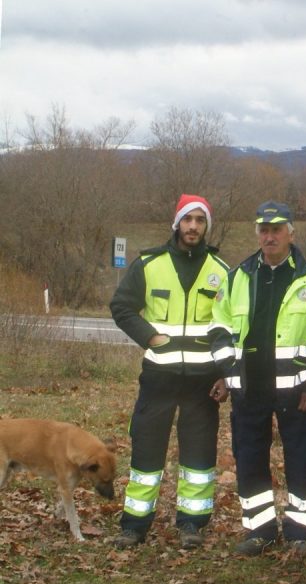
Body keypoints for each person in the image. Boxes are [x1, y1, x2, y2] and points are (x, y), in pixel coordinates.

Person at [109, 194, 231, 549]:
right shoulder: (150, 264)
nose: (193, 226)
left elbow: (231, 327)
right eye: (187, 219)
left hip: (203, 381)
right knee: (146, 450)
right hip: (159, 378)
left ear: (206, 226)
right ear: (177, 223)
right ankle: (134, 525)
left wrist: (225, 374)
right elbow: (121, 306)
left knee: (199, 455)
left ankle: (192, 523)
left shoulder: (221, 271)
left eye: (200, 220)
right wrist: (150, 337)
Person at [209, 202, 306, 558]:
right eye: (264, 229)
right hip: (249, 389)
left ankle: (301, 533)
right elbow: (219, 328)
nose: (270, 236)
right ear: (257, 233)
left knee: (301, 460)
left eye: (276, 229)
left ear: (291, 233)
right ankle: (260, 530)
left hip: (296, 391)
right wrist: (228, 373)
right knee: (249, 458)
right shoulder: (238, 277)